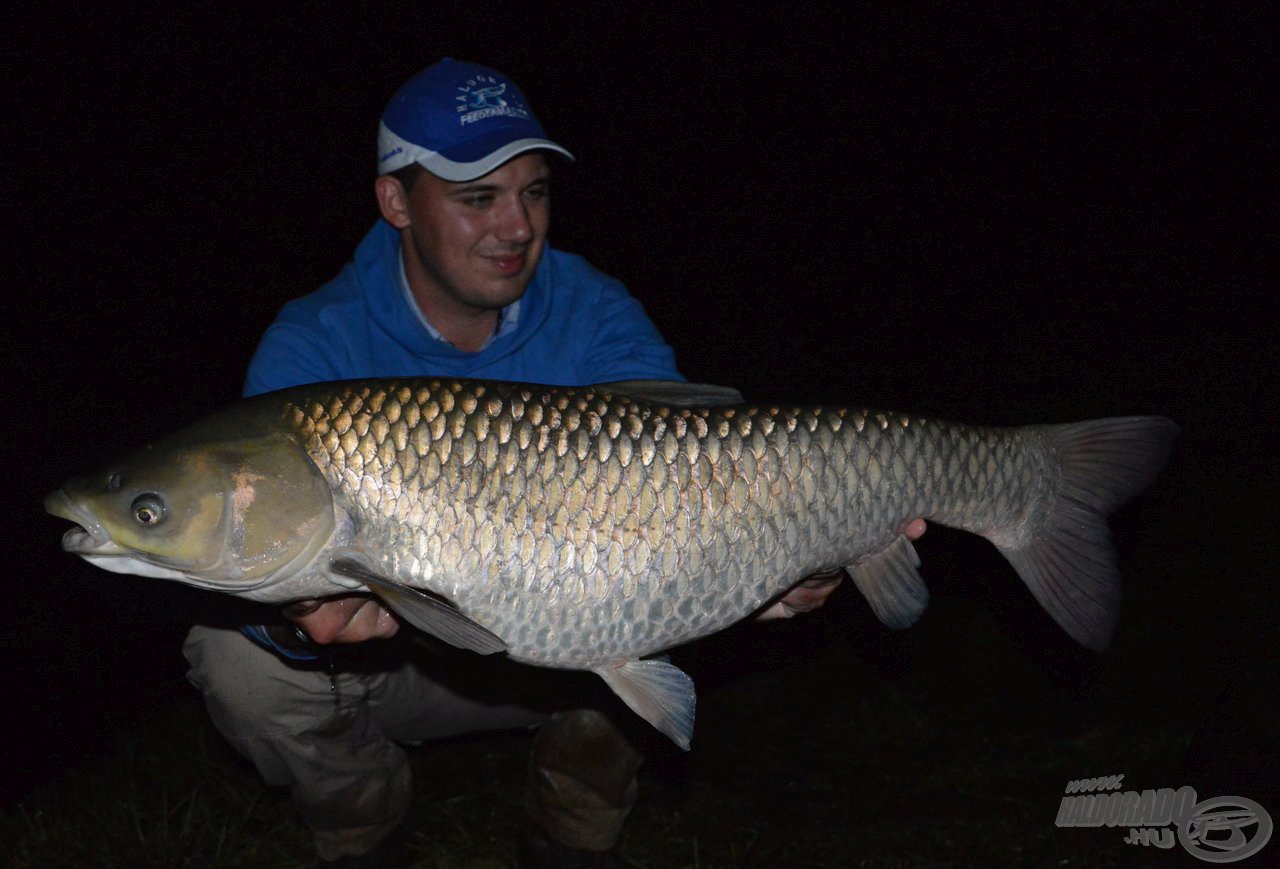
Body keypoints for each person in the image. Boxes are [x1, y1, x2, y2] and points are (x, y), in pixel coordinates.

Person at [183, 58, 923, 868]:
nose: (517, 227)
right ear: (396, 200)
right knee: (234, 657)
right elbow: (260, 550)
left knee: (650, 625)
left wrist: (787, 559)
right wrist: (294, 620)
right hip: (393, 663)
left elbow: (695, 482)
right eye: (478, 198)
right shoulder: (313, 346)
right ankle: (361, 823)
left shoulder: (594, 309)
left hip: (569, 633)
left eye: (533, 192)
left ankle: (571, 834)